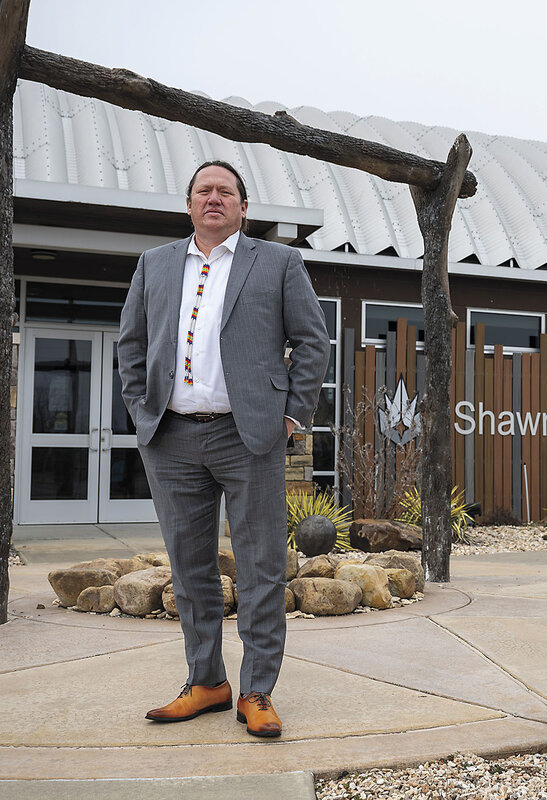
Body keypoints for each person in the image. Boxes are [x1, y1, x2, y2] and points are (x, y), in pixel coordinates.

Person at [118, 160, 330, 738]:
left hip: (250, 435)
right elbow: (131, 345)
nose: (214, 198)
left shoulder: (278, 262)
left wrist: (292, 416)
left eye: (226, 191)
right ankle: (207, 682)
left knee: (261, 567)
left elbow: (312, 341)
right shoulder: (154, 265)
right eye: (203, 191)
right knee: (190, 570)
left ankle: (257, 691)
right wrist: (142, 413)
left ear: (242, 206)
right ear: (189, 205)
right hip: (173, 437)